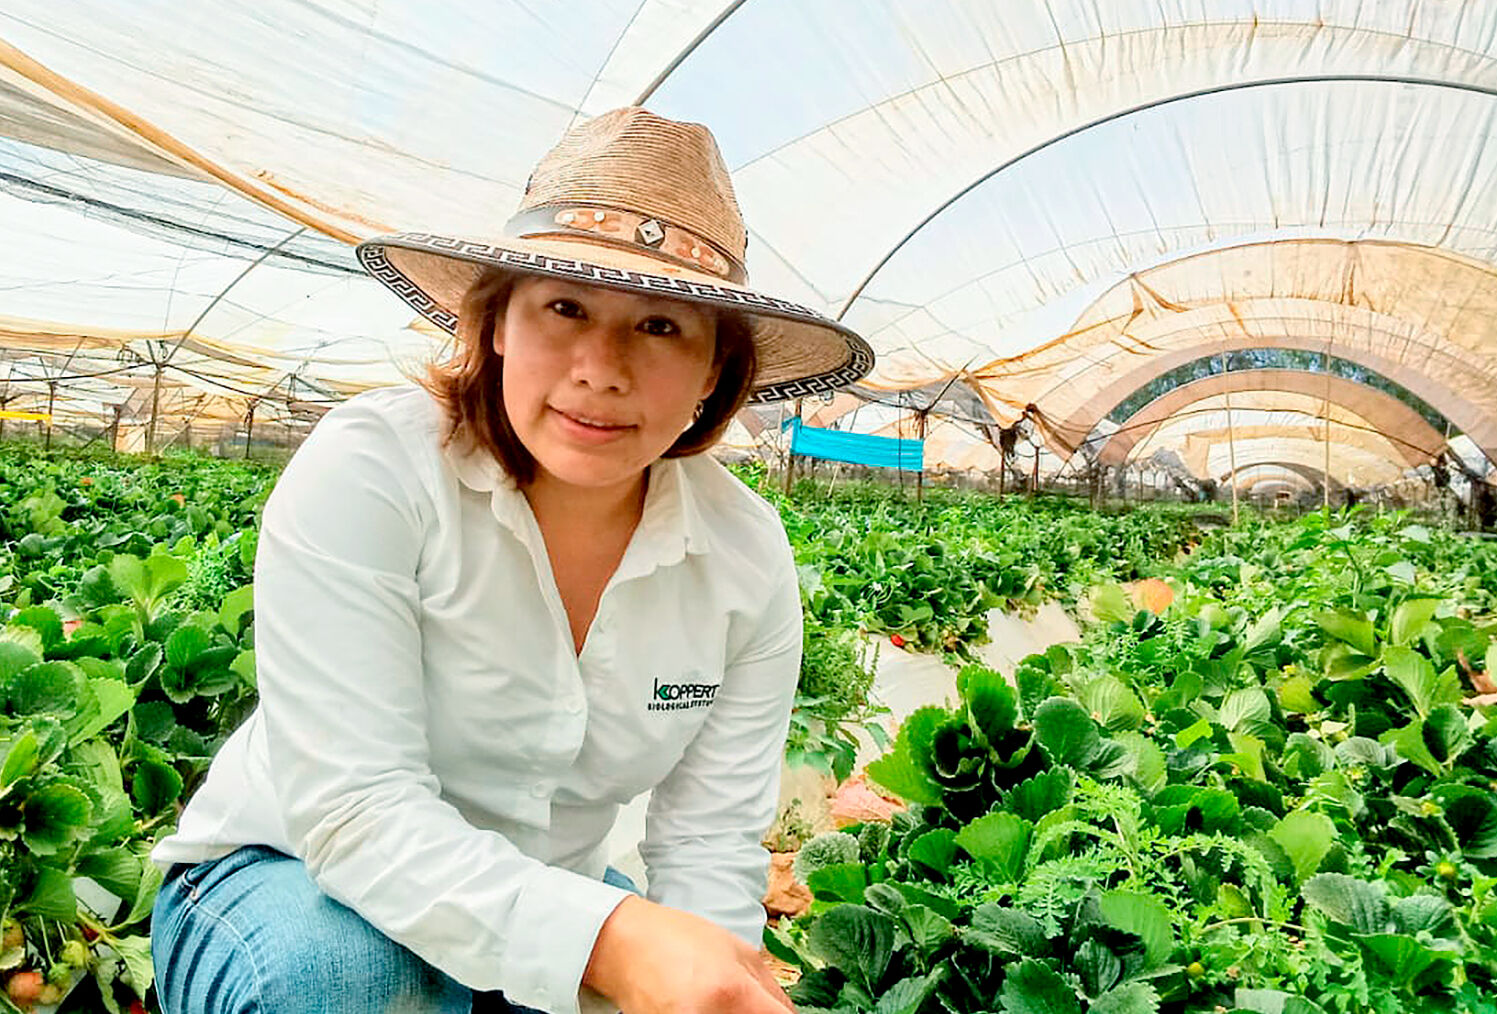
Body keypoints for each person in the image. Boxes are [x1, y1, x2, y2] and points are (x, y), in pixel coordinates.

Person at [148, 107, 873, 1014]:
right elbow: (354, 809)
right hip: (290, 875)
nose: (600, 369)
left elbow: (708, 842)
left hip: (553, 891)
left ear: (712, 373)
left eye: (660, 326)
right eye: (565, 308)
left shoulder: (742, 552)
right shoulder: (377, 467)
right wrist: (611, 942)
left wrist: (699, 985)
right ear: (494, 324)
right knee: (348, 982)